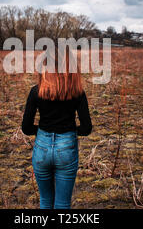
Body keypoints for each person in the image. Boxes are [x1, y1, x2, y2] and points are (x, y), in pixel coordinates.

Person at [21, 50, 92, 209]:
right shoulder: (77, 92)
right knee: (62, 204)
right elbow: (87, 128)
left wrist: (43, 131)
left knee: (45, 201)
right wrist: (70, 132)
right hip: (67, 148)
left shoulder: (36, 91)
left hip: (42, 148)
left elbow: (26, 128)